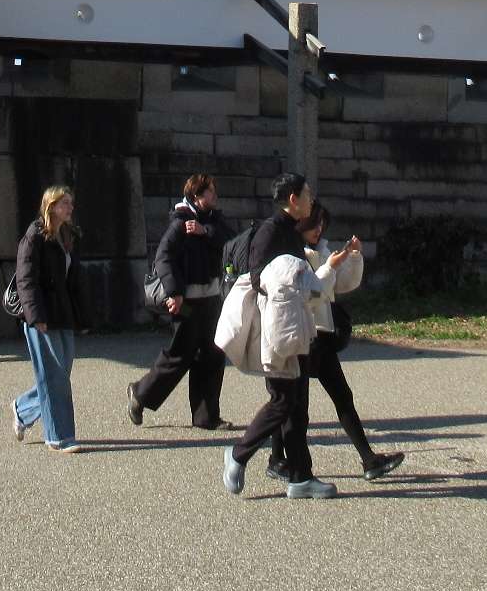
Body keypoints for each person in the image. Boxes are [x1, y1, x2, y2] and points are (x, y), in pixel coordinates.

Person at [222, 172, 342, 500]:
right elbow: (259, 276)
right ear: (293, 198)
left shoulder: (288, 232)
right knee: (282, 400)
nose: (311, 200)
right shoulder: (270, 231)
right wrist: (293, 276)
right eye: (307, 194)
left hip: (295, 326)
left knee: (297, 405)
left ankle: (301, 477)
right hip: (276, 329)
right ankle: (238, 454)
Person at [268, 204, 403, 482]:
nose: (318, 229)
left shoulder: (322, 250)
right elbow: (311, 294)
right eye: (313, 224)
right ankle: (277, 459)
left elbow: (342, 285)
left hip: (322, 336)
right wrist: (330, 267)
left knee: (341, 396)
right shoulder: (292, 256)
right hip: (300, 335)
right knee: (290, 403)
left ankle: (368, 459)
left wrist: (352, 259)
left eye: (321, 224)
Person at [126, 172, 231, 430]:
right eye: (210, 192)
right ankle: (140, 393)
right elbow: (163, 258)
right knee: (180, 356)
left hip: (212, 299)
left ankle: (207, 417)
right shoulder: (180, 222)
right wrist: (174, 292)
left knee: (213, 355)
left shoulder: (213, 220)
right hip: (188, 301)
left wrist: (204, 232)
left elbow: (230, 241)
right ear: (197, 195)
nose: (215, 196)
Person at [11, 186, 89, 452]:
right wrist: (35, 317)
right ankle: (59, 437)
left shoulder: (67, 235)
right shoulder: (34, 236)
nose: (70, 207)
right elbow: (26, 280)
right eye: (65, 203)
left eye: (71, 203)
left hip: (63, 313)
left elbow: (73, 281)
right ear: (52, 206)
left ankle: (23, 409)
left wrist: (83, 316)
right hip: (42, 315)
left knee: (59, 373)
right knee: (54, 375)